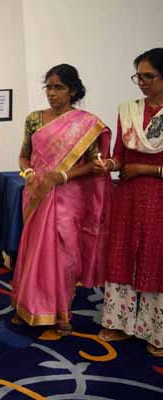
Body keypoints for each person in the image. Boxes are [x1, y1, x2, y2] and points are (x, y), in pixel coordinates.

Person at [11, 64, 113, 335]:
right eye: (49, 87)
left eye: (59, 87)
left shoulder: (86, 124)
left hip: (69, 198)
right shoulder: (34, 119)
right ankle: (27, 306)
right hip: (37, 193)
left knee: (64, 257)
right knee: (34, 252)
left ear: (73, 91)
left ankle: (61, 313)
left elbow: (94, 165)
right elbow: (23, 156)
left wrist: (64, 176)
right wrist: (29, 172)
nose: (52, 93)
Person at [98, 48, 163, 356]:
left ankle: (155, 330)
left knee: (156, 257)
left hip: (158, 195)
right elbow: (120, 156)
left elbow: (136, 164)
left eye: (149, 76)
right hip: (127, 195)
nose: (142, 82)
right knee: (122, 252)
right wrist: (108, 164)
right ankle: (119, 322)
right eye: (139, 76)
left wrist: (145, 169)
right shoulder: (129, 111)